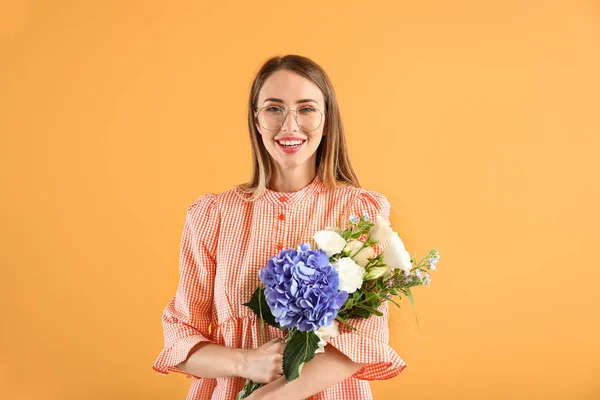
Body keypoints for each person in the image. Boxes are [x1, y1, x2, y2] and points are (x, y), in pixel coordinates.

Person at [152, 54, 407, 399]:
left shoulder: (360, 212)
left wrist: (267, 397)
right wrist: (244, 363)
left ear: (327, 120)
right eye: (274, 109)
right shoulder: (211, 216)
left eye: (306, 109)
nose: (290, 127)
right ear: (256, 121)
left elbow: (364, 339)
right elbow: (181, 336)